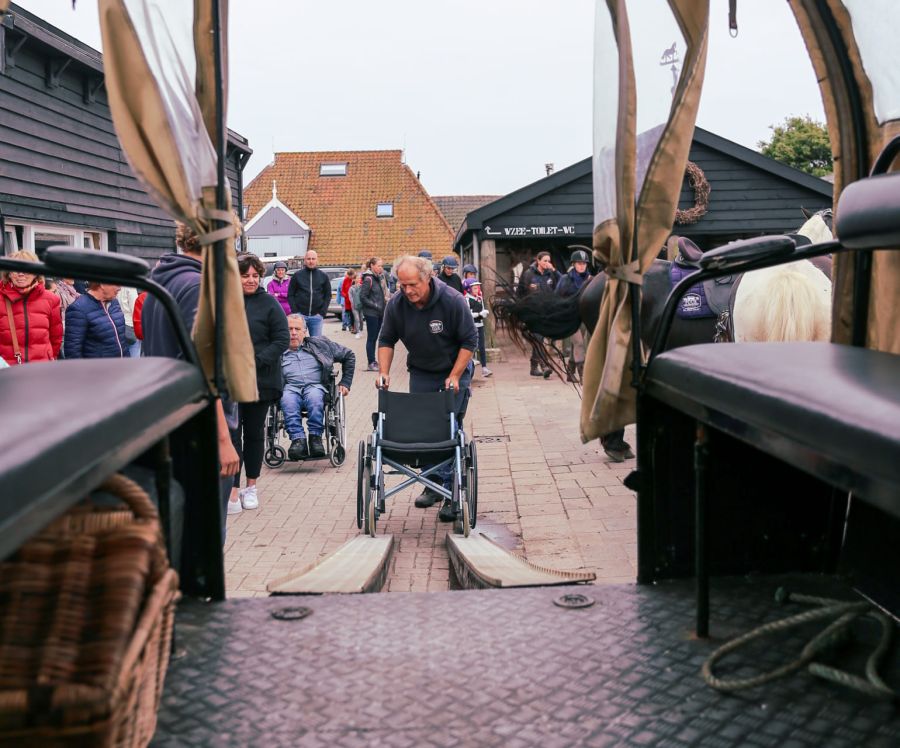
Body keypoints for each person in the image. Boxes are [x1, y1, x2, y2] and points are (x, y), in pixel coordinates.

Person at [141, 222, 240, 545]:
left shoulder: (161, 283)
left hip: (167, 424)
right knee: (204, 538)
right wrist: (223, 439)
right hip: (200, 432)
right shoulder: (199, 288)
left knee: (177, 533)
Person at [376, 255, 478, 522]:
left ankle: (449, 492)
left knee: (447, 425)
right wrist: (384, 372)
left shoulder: (452, 301)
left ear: (428, 278)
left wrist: (456, 375)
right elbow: (386, 339)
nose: (408, 290)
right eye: (402, 285)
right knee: (424, 425)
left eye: (412, 285)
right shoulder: (397, 304)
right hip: (422, 370)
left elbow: (469, 341)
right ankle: (433, 483)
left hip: (453, 369)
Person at [227, 253, 290, 515]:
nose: (251, 280)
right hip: (230, 379)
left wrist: (256, 360)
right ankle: (232, 489)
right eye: (245, 276)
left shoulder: (269, 304)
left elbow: (282, 339)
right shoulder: (226, 303)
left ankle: (250, 486)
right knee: (232, 435)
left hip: (259, 381)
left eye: (255, 276)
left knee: (253, 433)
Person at [281, 314, 355, 459]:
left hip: (315, 386)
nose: (294, 333)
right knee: (287, 400)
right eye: (289, 329)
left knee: (315, 398)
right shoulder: (278, 350)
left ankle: (315, 438)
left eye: (297, 329)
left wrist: (345, 382)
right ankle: (298, 440)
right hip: (290, 387)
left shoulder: (320, 344)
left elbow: (349, 355)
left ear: (305, 331)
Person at [0, 250, 63, 365]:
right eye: (15, 269)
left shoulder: (51, 299)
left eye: (27, 269)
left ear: (36, 273)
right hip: (8, 371)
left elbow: (56, 338)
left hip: (40, 370)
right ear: (8, 273)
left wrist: (48, 359)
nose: (21, 274)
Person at [517, 251, 561, 377]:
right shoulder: (528, 274)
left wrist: (554, 270)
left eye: (549, 260)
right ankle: (544, 365)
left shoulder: (551, 274)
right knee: (538, 338)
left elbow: (562, 283)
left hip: (548, 312)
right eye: (545, 261)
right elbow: (520, 293)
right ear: (538, 261)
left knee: (539, 339)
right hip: (533, 313)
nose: (547, 263)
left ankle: (534, 365)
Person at [64, 281, 129, 359]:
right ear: (102, 284)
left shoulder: (114, 303)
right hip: (98, 369)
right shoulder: (79, 308)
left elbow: (121, 341)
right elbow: (72, 351)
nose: (119, 288)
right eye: (116, 284)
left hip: (122, 367)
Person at [556, 249, 594, 383]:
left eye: (584, 263)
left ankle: (570, 372)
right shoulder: (565, 279)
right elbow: (558, 297)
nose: (582, 265)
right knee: (579, 343)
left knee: (576, 345)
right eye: (579, 263)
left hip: (584, 317)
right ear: (573, 264)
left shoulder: (591, 279)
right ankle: (583, 374)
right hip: (570, 316)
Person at [287, 249, 331, 337]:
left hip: (316, 317)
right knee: (298, 341)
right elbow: (290, 294)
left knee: (316, 343)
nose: (311, 261)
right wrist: (295, 311)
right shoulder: (297, 275)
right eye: (309, 259)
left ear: (317, 260)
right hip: (300, 315)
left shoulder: (323, 276)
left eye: (313, 259)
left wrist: (322, 312)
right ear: (305, 260)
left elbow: (328, 295)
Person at [359, 256, 389, 371]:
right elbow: (363, 297)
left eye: (382, 266)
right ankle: (371, 362)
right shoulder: (368, 279)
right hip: (371, 313)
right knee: (371, 338)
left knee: (376, 337)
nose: (381, 268)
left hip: (379, 313)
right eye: (379, 266)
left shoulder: (379, 277)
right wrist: (375, 305)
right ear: (372, 266)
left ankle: (374, 361)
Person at [463, 278, 492, 377]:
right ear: (469, 289)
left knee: (482, 346)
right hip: (471, 326)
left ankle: (484, 368)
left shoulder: (479, 298)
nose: (477, 290)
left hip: (480, 325)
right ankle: (468, 367)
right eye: (475, 288)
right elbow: (468, 314)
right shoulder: (466, 299)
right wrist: (479, 313)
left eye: (478, 288)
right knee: (472, 346)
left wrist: (484, 314)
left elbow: (482, 309)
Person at [117, 286, 142, 357]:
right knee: (134, 355)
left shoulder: (111, 286)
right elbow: (135, 307)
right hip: (131, 326)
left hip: (118, 325)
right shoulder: (130, 287)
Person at [349, 270, 364, 339]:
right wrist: (353, 303)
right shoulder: (351, 288)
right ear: (354, 279)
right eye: (357, 278)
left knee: (361, 319)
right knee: (357, 319)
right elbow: (350, 297)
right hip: (354, 306)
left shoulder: (362, 287)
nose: (358, 279)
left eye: (359, 278)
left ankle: (361, 330)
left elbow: (363, 296)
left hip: (361, 305)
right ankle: (357, 332)